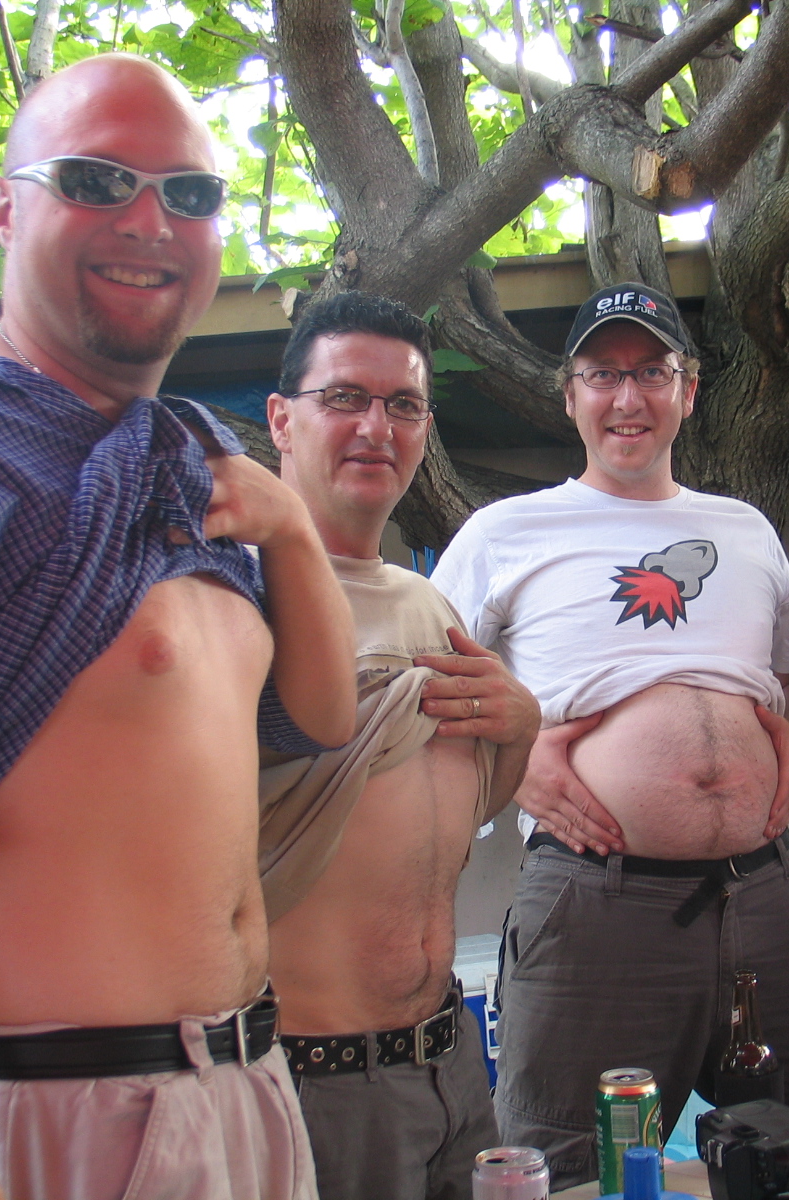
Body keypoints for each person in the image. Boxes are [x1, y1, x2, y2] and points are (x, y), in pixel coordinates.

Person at [0, 55, 357, 1200]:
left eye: (189, 193)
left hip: (247, 1101)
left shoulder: (189, 456)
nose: (149, 221)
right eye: (96, 179)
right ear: (4, 207)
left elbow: (310, 723)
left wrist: (296, 535)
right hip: (42, 1129)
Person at [432, 283, 789, 1190]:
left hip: (772, 901)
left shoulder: (744, 529)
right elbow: (426, 685)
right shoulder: (504, 532)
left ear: (688, 391)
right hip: (598, 908)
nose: (628, 397)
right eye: (603, 374)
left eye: (652, 372)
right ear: (569, 395)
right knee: (579, 1172)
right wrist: (515, 765)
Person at [259, 291, 540, 1200]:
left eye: (404, 405)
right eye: (345, 397)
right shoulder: (234, 597)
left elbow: (451, 814)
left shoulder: (428, 605)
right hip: (311, 1079)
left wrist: (521, 730)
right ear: (282, 419)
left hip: (450, 1066)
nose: (377, 427)